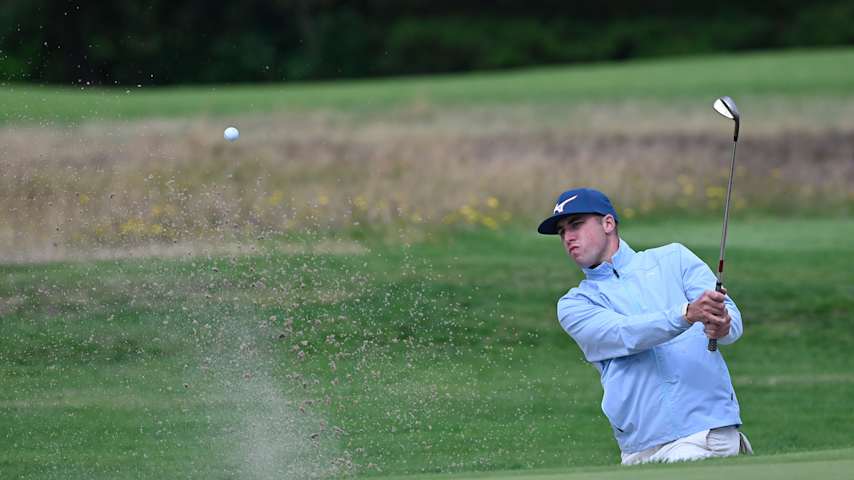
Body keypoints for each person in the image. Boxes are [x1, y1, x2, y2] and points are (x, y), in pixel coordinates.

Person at [538, 187, 752, 465]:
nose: (568, 237)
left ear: (608, 223)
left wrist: (722, 325)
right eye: (562, 232)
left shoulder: (674, 259)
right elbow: (625, 333)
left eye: (576, 225)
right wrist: (686, 314)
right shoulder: (575, 304)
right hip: (639, 450)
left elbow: (731, 323)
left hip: (703, 433)